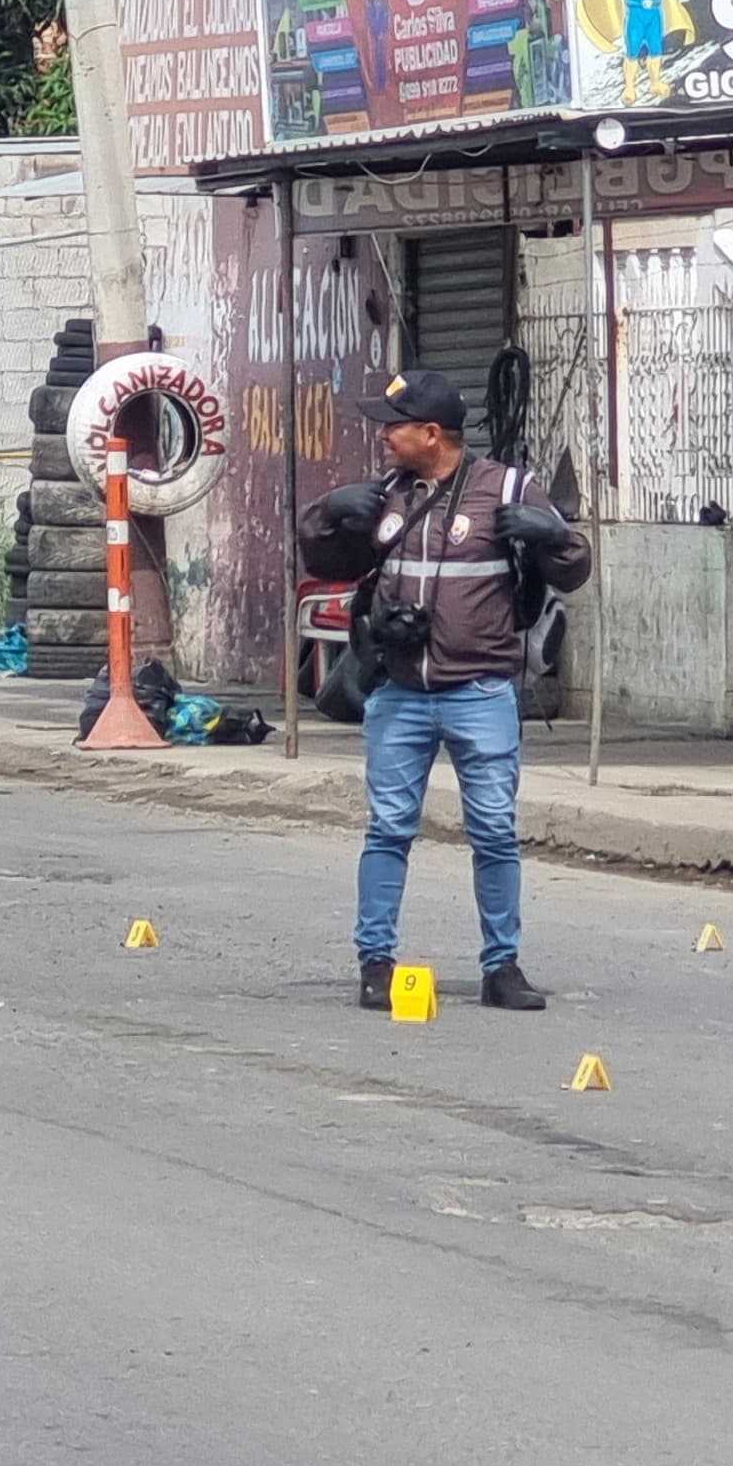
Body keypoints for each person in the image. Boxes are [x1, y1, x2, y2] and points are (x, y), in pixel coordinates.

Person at [302, 368, 594, 1011]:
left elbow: (572, 571)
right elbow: (324, 561)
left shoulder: (508, 490)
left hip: (481, 692)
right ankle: (374, 962)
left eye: (394, 426)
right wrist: (327, 515)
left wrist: (558, 538)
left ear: (431, 434)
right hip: (398, 693)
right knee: (388, 830)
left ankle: (502, 967)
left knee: (493, 830)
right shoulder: (386, 494)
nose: (383, 436)